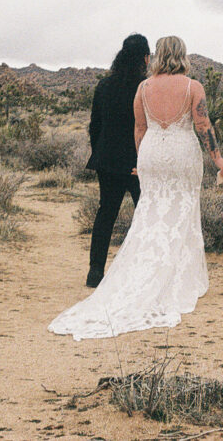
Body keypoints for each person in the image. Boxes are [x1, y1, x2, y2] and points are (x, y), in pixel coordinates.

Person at [49, 36, 223, 341]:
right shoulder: (192, 87)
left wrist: (135, 159)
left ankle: (108, 271)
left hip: (142, 158)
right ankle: (176, 278)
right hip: (175, 157)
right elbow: (203, 126)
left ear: (156, 56)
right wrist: (217, 157)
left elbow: (136, 128)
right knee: (179, 213)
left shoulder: (139, 88)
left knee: (139, 216)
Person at [84, 33, 151, 288]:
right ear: (144, 58)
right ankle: (145, 271)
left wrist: (99, 153)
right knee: (144, 215)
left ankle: (95, 272)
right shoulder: (145, 88)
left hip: (107, 160)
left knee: (105, 214)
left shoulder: (104, 86)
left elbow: (95, 126)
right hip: (137, 162)